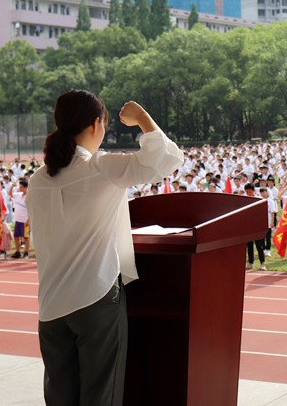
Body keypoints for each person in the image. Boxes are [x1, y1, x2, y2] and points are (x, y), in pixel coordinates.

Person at [28, 91, 183, 405]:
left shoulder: (39, 179)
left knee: (59, 396)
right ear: (97, 124)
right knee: (101, 394)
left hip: (51, 305)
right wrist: (142, 118)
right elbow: (167, 160)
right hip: (94, 298)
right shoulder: (100, 168)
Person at [9, 180, 30, 259]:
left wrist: (28, 220)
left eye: (21, 187)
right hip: (17, 219)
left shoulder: (29, 197)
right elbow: (10, 194)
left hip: (24, 220)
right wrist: (12, 186)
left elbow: (31, 209)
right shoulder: (18, 195)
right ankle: (17, 251)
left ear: (25, 187)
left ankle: (26, 252)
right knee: (16, 236)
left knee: (25, 237)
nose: (20, 188)